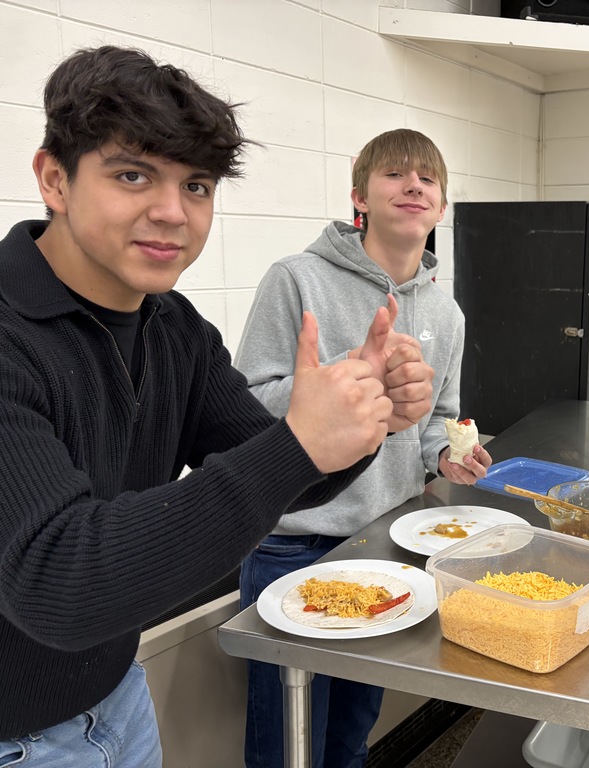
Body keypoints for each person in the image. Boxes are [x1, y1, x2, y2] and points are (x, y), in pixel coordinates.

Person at [0, 45, 439, 766]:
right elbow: (58, 581)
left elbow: (285, 470)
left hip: (116, 696)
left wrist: (361, 421)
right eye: (133, 174)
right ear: (55, 179)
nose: (172, 213)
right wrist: (298, 443)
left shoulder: (174, 328)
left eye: (196, 186)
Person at [234, 127, 492, 768]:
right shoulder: (297, 279)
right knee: (285, 742)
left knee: (352, 733)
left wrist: (444, 456)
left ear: (442, 208)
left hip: (386, 544)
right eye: (395, 176)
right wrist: (347, 382)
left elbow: (439, 421)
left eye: (427, 180)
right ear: (360, 197)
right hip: (291, 540)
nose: (413, 186)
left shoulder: (448, 313)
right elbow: (243, 408)